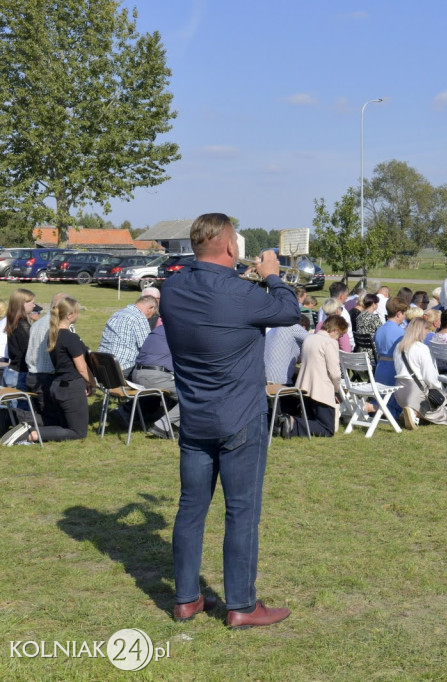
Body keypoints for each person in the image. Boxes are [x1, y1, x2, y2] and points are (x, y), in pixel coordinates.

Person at [162, 212, 299, 629]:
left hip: (195, 417)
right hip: (240, 416)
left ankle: (186, 599)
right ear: (229, 246)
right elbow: (289, 309)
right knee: (241, 512)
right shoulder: (241, 293)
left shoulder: (173, 289)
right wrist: (272, 274)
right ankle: (241, 603)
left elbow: (198, 276)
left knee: (191, 508)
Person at [1, 298, 91, 446]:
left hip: (52, 383)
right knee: (78, 432)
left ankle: (20, 420)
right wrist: (92, 383)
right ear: (69, 315)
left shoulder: (50, 333)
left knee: (56, 420)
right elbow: (81, 368)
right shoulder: (69, 336)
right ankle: (30, 433)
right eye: (77, 312)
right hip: (63, 383)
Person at [281, 315, 347, 438]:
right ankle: (292, 422)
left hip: (305, 387)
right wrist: (337, 390)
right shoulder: (330, 342)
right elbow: (334, 372)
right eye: (340, 335)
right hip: (321, 389)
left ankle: (290, 423)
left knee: (312, 420)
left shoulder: (310, 338)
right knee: (327, 428)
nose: (339, 338)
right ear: (335, 330)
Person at [394, 318, 447, 429]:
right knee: (443, 416)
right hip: (415, 390)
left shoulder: (398, 347)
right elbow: (430, 377)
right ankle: (413, 413)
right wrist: (438, 389)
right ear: (420, 330)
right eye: (426, 329)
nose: (427, 332)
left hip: (399, 389)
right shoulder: (422, 348)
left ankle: (409, 412)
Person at [25, 292, 70, 415]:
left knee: (38, 415)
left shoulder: (37, 324)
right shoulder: (61, 326)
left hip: (32, 375)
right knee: (49, 418)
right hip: (47, 377)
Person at [132, 324, 179, 439]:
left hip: (138, 373)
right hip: (154, 377)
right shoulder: (178, 331)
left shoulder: (161, 328)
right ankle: (161, 425)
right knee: (195, 394)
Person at [97, 295, 158, 373]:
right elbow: (146, 347)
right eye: (153, 314)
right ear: (151, 308)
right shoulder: (139, 318)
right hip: (123, 367)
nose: (149, 318)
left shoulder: (117, 313)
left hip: (101, 363)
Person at [3, 288, 36, 394]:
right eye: (32, 303)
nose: (34, 305)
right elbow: (28, 349)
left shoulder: (13, 321)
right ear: (23, 304)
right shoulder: (22, 325)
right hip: (19, 374)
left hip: (12, 371)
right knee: (22, 409)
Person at [373, 298, 408, 397]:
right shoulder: (401, 333)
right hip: (394, 370)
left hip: (380, 368)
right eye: (404, 314)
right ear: (399, 314)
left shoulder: (380, 329)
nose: (404, 317)